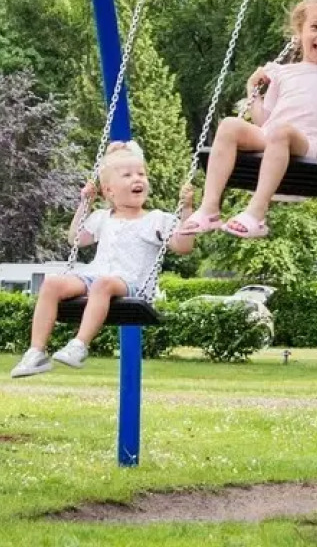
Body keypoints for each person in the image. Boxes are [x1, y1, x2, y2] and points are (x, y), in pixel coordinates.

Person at [177, 0, 317, 239]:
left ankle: (256, 213)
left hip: (312, 146)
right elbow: (264, 121)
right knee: (229, 125)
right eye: (315, 27)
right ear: (299, 32)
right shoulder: (283, 72)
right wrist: (253, 93)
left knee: (282, 132)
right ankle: (210, 208)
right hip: (274, 138)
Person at [10, 141, 195, 378]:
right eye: (127, 175)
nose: (137, 179)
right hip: (95, 275)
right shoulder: (102, 217)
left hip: (132, 284)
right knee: (52, 284)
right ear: (109, 191)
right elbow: (75, 238)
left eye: (141, 174)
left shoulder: (157, 220)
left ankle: (79, 345)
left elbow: (184, 246)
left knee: (103, 284)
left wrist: (187, 209)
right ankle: (36, 353)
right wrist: (84, 203)